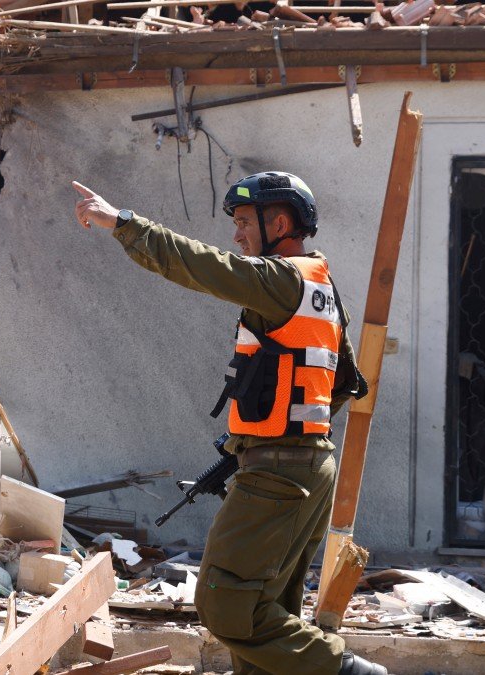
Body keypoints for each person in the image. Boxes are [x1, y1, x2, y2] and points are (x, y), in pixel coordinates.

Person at [72, 172, 387, 675]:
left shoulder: (282, 279)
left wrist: (122, 223)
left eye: (244, 223)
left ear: (279, 222)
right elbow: (344, 382)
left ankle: (350, 672)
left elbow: (201, 266)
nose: (237, 236)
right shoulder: (320, 289)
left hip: (279, 473)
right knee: (265, 619)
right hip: (306, 467)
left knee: (224, 604)